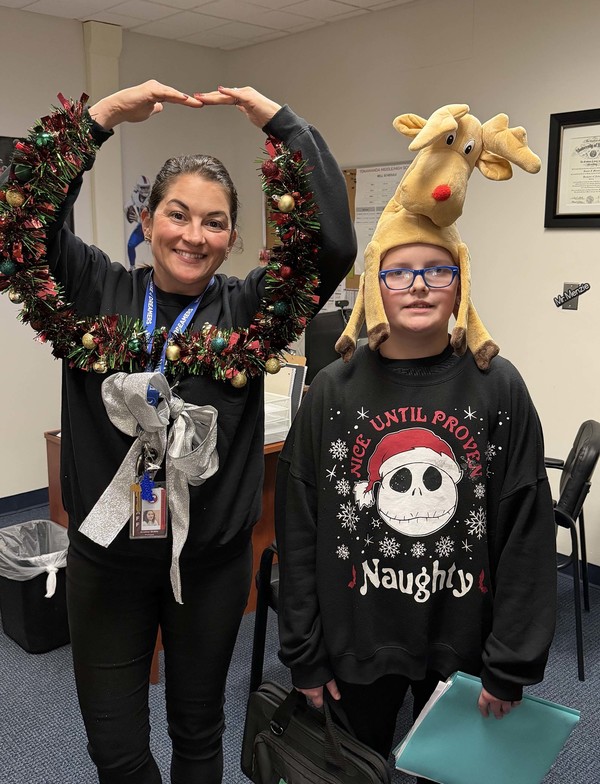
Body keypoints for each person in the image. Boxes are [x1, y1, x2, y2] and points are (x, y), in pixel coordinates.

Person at [0, 80, 355, 783]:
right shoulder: (97, 290)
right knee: (117, 749)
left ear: (233, 236)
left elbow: (334, 244)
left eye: (215, 222)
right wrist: (97, 119)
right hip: (105, 568)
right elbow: (21, 220)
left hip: (212, 568)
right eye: (177, 213)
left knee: (198, 732)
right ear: (149, 216)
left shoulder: (256, 307)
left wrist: (284, 125)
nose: (193, 235)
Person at [275, 109, 557, 781]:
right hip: (355, 646)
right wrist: (305, 654)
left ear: (461, 281)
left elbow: (525, 530)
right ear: (373, 282)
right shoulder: (334, 391)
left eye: (438, 271)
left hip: (461, 646)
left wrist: (510, 662)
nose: (421, 285)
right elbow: (301, 524)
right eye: (401, 272)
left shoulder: (499, 387)